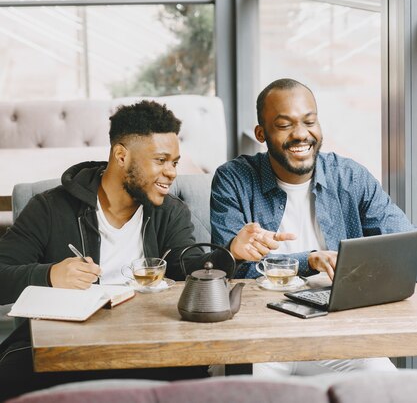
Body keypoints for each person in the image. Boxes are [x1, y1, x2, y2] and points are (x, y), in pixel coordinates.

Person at [0, 100, 264, 400]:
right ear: (121, 155)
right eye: (161, 160)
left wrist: (230, 252)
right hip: (68, 351)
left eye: (175, 162)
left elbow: (185, 265)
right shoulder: (49, 208)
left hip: (148, 347)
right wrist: (50, 275)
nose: (171, 172)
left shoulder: (169, 212)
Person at [211, 78, 415, 376]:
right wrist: (309, 259)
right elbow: (228, 270)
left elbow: (404, 247)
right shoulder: (234, 180)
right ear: (261, 133)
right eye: (284, 125)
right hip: (258, 338)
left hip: (338, 336)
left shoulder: (350, 177)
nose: (301, 134)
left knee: (387, 383)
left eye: (310, 121)